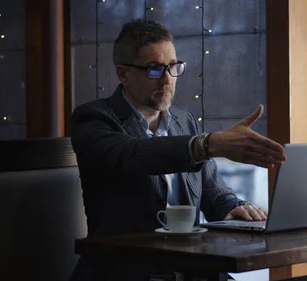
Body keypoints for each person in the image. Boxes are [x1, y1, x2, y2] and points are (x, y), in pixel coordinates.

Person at [69, 20, 286, 281]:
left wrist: (235, 207)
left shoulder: (185, 121)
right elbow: (131, 155)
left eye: (173, 67)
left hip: (193, 270)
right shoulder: (93, 118)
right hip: (129, 271)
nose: (167, 79)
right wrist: (206, 144)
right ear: (123, 74)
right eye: (154, 69)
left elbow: (212, 190)